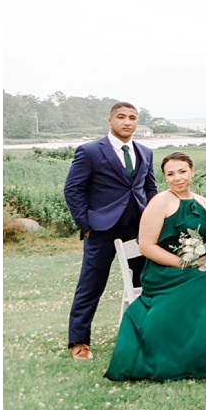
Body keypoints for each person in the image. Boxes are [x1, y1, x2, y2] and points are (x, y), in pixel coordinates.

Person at [105, 152, 206, 381]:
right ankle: (192, 355)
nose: (177, 178)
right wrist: (183, 263)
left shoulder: (202, 201)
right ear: (165, 177)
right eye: (170, 174)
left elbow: (202, 238)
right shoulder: (160, 202)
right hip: (165, 271)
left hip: (197, 267)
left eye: (182, 171)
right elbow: (146, 246)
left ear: (192, 171)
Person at [63, 101, 159, 360]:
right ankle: (79, 342)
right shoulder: (90, 151)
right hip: (101, 229)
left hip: (139, 230)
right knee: (91, 285)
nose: (127, 122)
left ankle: (146, 335)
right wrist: (86, 225)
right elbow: (73, 190)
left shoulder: (146, 152)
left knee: (145, 282)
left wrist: (152, 219)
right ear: (110, 120)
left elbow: (150, 189)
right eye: (121, 117)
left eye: (132, 118)